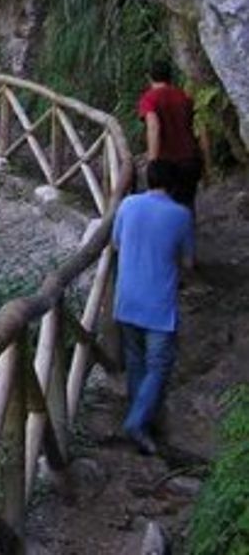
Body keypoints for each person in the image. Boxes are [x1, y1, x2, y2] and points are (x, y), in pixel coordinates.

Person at [112, 159, 195, 455]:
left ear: (148, 180)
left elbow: (117, 244)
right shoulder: (181, 215)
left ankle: (140, 417)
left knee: (135, 360)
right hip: (159, 305)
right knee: (159, 365)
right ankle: (137, 421)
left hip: (126, 298)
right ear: (173, 185)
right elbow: (188, 262)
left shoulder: (128, 205)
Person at [137, 59, 202, 212]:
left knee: (163, 209)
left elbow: (153, 127)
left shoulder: (149, 98)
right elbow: (199, 128)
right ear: (170, 76)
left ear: (149, 77)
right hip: (189, 159)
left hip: (165, 162)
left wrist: (152, 161)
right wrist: (206, 159)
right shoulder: (184, 96)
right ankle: (187, 234)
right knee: (186, 205)